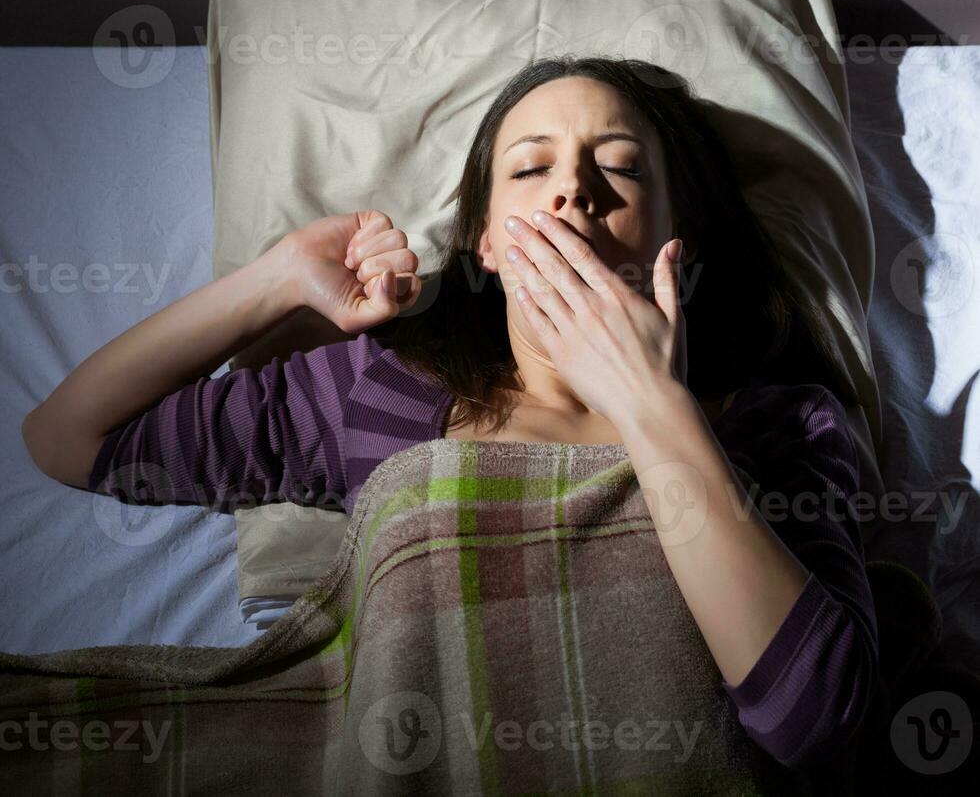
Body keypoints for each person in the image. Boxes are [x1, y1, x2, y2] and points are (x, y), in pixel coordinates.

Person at [22, 55, 879, 775]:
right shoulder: (386, 388)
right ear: (487, 241)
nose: (574, 189)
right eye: (531, 168)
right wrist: (278, 279)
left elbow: (814, 723)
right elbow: (69, 438)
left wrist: (657, 405)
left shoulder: (780, 426)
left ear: (675, 229)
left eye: (619, 166)